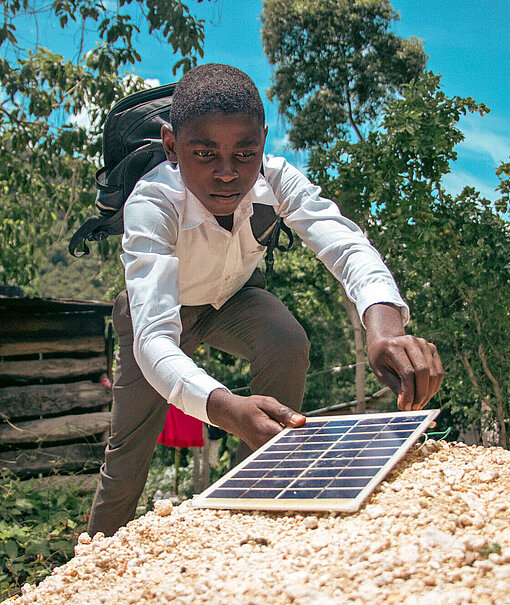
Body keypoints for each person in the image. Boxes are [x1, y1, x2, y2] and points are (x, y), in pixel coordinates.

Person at [88, 63, 443, 537]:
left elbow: (347, 245)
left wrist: (384, 328)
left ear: (263, 141)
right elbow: (154, 339)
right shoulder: (152, 204)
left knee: (286, 339)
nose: (226, 173)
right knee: (129, 451)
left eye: (244, 153)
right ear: (172, 146)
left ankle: (255, 502)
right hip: (155, 316)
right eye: (203, 153)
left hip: (235, 300)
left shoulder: (277, 181)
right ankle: (90, 564)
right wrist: (224, 407)